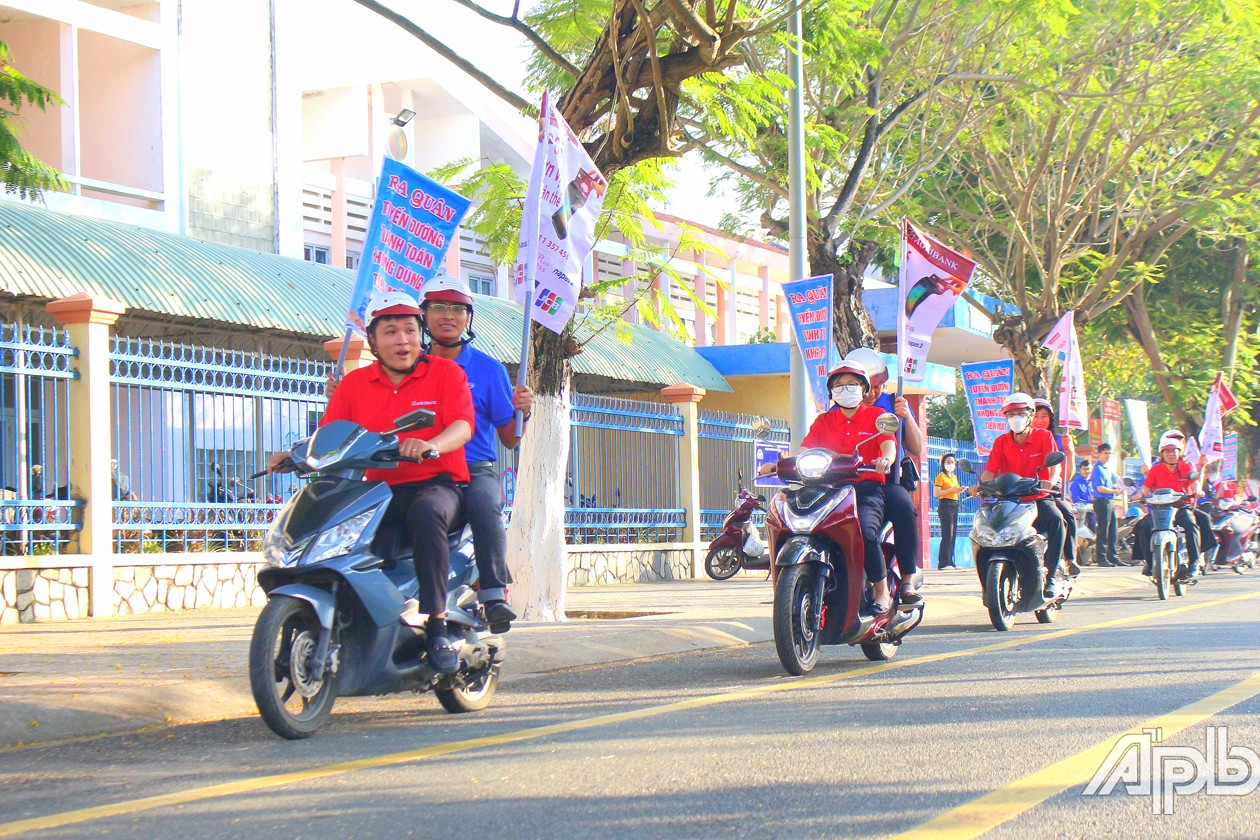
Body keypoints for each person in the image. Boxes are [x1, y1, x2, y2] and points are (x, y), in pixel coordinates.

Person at [270, 290, 473, 674]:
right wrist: (294, 453)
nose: (403, 341)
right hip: (379, 489)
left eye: (410, 331)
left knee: (428, 513)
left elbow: (462, 426)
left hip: (437, 483)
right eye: (391, 332)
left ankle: (437, 625)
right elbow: (330, 435)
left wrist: (431, 444)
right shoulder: (355, 384)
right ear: (375, 342)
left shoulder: (445, 373)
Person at [418, 276, 534, 632]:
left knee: (485, 506)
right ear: (423, 315)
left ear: (469, 317)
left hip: (473, 468)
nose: (447, 316)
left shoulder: (488, 370)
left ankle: (494, 591)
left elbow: (510, 440)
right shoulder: (408, 366)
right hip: (419, 469)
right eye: (438, 307)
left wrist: (523, 412)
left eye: (457, 309)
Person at [761, 360, 897, 612]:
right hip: (827, 492)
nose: (846, 389)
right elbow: (804, 450)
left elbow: (888, 444)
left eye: (852, 384)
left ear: (864, 388)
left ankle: (881, 592)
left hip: (864, 491)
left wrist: (885, 460)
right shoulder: (824, 421)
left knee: (865, 531)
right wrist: (779, 464)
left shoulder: (877, 416)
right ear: (831, 391)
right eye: (839, 385)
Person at [845, 347, 923, 604]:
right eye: (869, 387)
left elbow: (916, 447)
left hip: (886, 479)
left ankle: (908, 579)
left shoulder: (892, 403)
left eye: (878, 387)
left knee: (903, 506)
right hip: (847, 480)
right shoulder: (842, 407)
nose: (874, 393)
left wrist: (907, 417)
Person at [972, 392, 1066, 599]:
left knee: (1057, 520)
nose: (1016, 417)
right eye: (1011, 413)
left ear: (1030, 415)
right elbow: (990, 472)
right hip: (1009, 501)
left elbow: (1055, 466)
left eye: (1020, 413)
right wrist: (979, 486)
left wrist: (1050, 479)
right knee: (984, 530)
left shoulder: (1044, 436)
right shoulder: (1001, 442)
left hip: (1038, 497)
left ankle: (1051, 575)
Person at [1130, 431, 1216, 583]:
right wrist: (1139, 494)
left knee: (1191, 524)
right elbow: (1146, 487)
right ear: (1162, 454)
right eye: (1167, 451)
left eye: (1173, 451)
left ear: (1179, 452)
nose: (1171, 454)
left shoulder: (1186, 466)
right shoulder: (1156, 470)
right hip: (1160, 509)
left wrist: (1198, 490)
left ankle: (1194, 562)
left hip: (1181, 508)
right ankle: (1149, 562)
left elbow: (1195, 481)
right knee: (1143, 526)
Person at [1032, 397, 1079, 571]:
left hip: (1052, 490)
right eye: (1035, 416)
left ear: (1050, 418)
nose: (1039, 421)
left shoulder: (1059, 439)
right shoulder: (1021, 439)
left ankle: (1069, 558)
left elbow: (1067, 475)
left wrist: (1070, 452)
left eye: (1044, 416)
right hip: (1026, 491)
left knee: (1065, 511)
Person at [1089, 443, 1121, 566]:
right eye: (1105, 453)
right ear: (1099, 454)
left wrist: (1116, 488)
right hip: (1102, 501)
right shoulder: (1097, 468)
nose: (1108, 455)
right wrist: (1114, 491)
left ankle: (1113, 556)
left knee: (1113, 530)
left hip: (1110, 500)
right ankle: (1101, 558)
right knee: (1103, 530)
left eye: (1110, 453)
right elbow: (1100, 488)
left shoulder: (1106, 468)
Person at [933, 453, 966, 569]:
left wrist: (959, 490)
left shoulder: (954, 477)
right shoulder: (940, 476)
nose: (951, 464)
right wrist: (952, 489)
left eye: (953, 462)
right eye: (948, 462)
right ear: (943, 464)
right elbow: (937, 493)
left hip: (954, 504)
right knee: (947, 534)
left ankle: (950, 561)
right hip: (945, 505)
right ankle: (943, 563)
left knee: (953, 535)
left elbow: (953, 492)